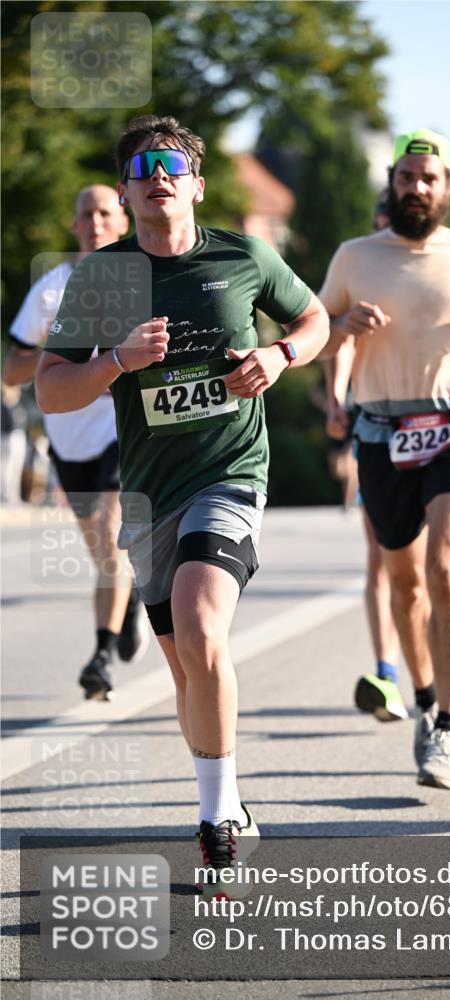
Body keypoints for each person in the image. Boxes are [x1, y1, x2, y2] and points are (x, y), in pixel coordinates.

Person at [36, 115, 329, 880]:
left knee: (202, 628)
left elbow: (314, 317)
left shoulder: (245, 255)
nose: (156, 175)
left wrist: (280, 353)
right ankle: (231, 799)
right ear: (128, 190)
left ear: (196, 183)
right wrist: (115, 362)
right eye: (140, 167)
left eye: (171, 164)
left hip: (230, 472)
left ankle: (213, 821)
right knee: (185, 668)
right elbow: (50, 391)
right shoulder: (101, 277)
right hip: (148, 494)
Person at [318, 128, 450, 790]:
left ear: (447, 187)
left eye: (428, 178)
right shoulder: (354, 256)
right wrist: (341, 330)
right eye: (407, 177)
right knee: (402, 582)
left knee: (445, 567)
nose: (417, 187)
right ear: (392, 182)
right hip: (380, 430)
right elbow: (314, 335)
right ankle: (425, 706)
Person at [3, 186, 147, 699]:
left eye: (104, 212)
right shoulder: (51, 289)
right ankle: (128, 599)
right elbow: (13, 368)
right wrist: (57, 345)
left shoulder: (139, 280)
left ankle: (101, 655)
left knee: (111, 537)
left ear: (122, 222)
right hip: (70, 441)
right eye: (85, 212)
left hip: (120, 432)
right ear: (74, 224)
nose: (94, 221)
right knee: (105, 555)